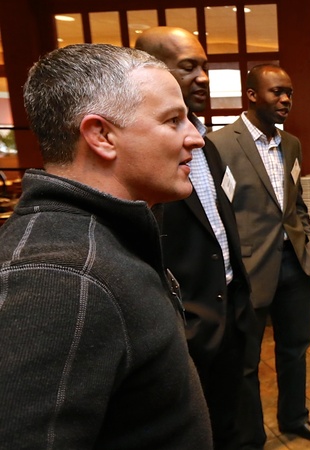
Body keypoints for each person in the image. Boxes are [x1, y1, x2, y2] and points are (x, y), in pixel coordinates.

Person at [0, 43, 210, 448]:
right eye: (173, 121)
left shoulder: (103, 239)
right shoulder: (55, 279)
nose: (195, 138)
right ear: (101, 135)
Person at [136, 27, 254, 450]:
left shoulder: (207, 144)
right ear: (152, 71)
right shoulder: (141, 150)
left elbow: (220, 223)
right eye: (189, 67)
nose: (203, 76)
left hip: (229, 314)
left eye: (204, 66)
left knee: (230, 423)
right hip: (184, 326)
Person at [206, 64, 310, 445]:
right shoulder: (220, 144)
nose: (285, 100)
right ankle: (251, 437)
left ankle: (294, 418)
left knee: (295, 348)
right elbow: (217, 211)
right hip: (249, 270)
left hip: (294, 263)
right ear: (251, 95)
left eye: (289, 93)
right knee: (246, 362)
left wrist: (308, 240)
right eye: (276, 92)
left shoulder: (291, 143)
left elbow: (294, 204)